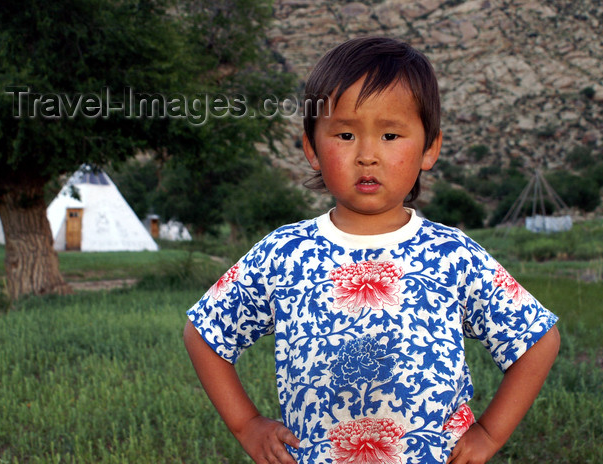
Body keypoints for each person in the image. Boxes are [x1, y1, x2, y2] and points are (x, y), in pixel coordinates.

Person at [183, 36, 560, 464]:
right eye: (345, 134)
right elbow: (204, 333)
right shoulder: (284, 253)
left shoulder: (453, 254)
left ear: (429, 147)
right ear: (311, 148)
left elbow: (537, 340)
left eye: (390, 134)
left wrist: (489, 434)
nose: (367, 155)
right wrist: (247, 425)